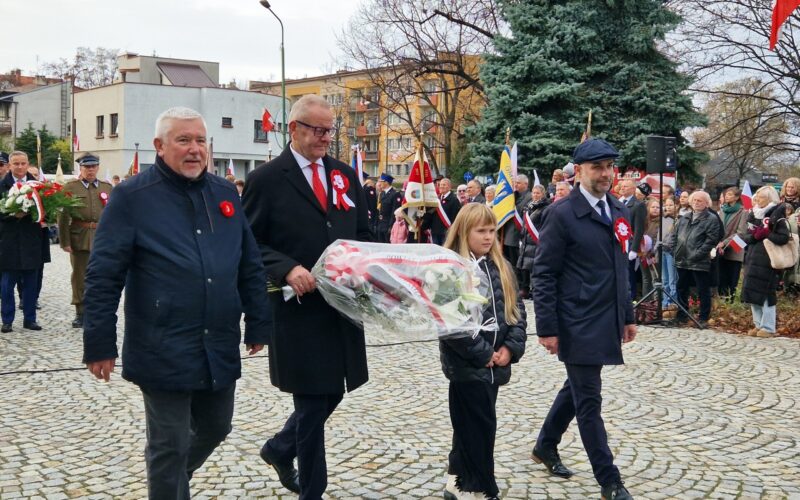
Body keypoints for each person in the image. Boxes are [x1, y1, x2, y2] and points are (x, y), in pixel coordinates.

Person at [81, 107, 270, 499]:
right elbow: (103, 274)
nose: (195, 149)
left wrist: (258, 321)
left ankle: (168, 481)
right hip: (161, 343)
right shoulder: (132, 197)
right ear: (159, 146)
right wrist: (99, 343)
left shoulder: (224, 194)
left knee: (217, 427)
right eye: (183, 140)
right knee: (169, 445)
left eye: (200, 141)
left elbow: (249, 262)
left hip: (216, 341)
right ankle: (168, 483)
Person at [242, 94, 372, 499]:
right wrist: (287, 267)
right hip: (297, 310)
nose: (325, 138)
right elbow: (248, 242)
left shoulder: (344, 175)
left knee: (332, 391)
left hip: (340, 305)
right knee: (313, 402)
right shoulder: (267, 178)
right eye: (317, 130)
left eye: (330, 130)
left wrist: (369, 270)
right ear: (294, 129)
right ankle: (312, 491)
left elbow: (363, 233)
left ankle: (280, 448)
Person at [532, 138, 636, 500]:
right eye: (597, 167)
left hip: (605, 318)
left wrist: (628, 314)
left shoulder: (619, 210)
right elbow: (543, 273)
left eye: (609, 166)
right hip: (575, 320)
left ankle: (545, 444)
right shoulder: (561, 214)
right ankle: (609, 480)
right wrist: (547, 327)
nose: (606, 173)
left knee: (576, 389)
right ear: (579, 171)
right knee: (589, 399)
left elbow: (622, 267)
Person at [440, 203, 526, 500]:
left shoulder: (501, 267)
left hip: (496, 362)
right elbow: (449, 322)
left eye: (492, 231)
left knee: (470, 423)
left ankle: (457, 477)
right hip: (467, 364)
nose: (489, 237)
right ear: (465, 232)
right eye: (481, 231)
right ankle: (481, 487)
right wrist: (481, 353)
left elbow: (516, 313)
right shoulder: (450, 270)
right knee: (480, 425)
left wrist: (509, 348)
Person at [58, 153, 113, 328]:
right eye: (87, 167)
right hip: (79, 236)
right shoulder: (71, 187)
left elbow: (115, 215)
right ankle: (80, 312)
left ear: (97, 167)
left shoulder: (107, 187)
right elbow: (62, 215)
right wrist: (64, 241)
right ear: (80, 168)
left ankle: (97, 311)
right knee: (80, 276)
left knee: (102, 276)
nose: (90, 170)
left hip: (102, 237)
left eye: (93, 166)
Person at [0, 151, 45, 332]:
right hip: (7, 241)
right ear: (10, 165)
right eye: (16, 163)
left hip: (31, 241)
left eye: (23, 163)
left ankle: (30, 318)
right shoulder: (2, 185)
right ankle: (7, 320)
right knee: (6, 284)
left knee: (31, 284)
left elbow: (46, 210)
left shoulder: (38, 185)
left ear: (28, 164)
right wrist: (12, 214)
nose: (19, 167)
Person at [741, 187, 791, 337]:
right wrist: (755, 236)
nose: (757, 200)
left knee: (766, 294)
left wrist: (768, 234)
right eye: (756, 197)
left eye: (761, 197)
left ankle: (768, 327)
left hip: (768, 260)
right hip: (752, 258)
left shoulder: (778, 216)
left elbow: (783, 238)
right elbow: (746, 237)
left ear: (770, 199)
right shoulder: (754, 213)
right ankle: (758, 324)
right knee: (752, 292)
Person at [667, 190, 721, 329]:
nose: (696, 203)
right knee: (681, 288)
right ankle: (682, 315)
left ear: (706, 203)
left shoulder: (711, 219)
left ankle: (703, 317)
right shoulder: (684, 217)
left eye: (700, 201)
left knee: (702, 289)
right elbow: (674, 234)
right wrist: (674, 250)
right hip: (682, 258)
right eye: (695, 200)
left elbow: (711, 240)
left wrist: (697, 254)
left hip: (699, 260)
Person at [716, 187, 749, 302]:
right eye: (726, 194)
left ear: (737, 197)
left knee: (732, 276)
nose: (726, 196)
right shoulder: (722, 210)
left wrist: (724, 243)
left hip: (735, 247)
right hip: (720, 248)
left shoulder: (743, 212)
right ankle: (721, 299)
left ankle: (730, 301)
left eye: (730, 194)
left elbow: (741, 233)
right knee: (721, 276)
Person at [517, 184, 550, 296]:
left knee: (534, 267)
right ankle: (525, 288)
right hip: (526, 240)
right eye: (534, 192)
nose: (535, 195)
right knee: (524, 266)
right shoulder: (529, 206)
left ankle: (535, 290)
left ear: (543, 194)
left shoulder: (545, 208)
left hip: (536, 240)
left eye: (538, 193)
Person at [618, 178, 647, 300]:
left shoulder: (638, 205)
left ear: (633, 189)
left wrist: (634, 249)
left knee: (629, 273)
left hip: (629, 243)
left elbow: (639, 229)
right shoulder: (618, 202)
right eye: (622, 186)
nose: (622, 188)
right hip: (616, 242)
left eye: (626, 186)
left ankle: (631, 297)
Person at [503, 175, 532, 291]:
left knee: (519, 263)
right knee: (511, 262)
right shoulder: (513, 196)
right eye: (516, 183)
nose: (516, 185)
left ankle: (522, 285)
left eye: (519, 183)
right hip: (509, 234)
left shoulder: (529, 197)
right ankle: (513, 283)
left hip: (518, 235)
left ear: (526, 184)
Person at [430, 177, 461, 245]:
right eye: (440, 185)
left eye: (444, 185)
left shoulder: (454, 200)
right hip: (435, 231)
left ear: (449, 187)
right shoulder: (436, 199)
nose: (441, 186)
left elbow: (455, 217)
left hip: (446, 232)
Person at [660, 196, 678, 310]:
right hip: (663, 251)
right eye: (666, 205)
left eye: (671, 205)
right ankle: (664, 303)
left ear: (676, 206)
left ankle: (672, 303)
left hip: (672, 252)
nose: (668, 207)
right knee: (664, 280)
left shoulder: (679, 219)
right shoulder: (663, 219)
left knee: (672, 280)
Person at [641, 198, 661, 298]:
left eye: (658, 207)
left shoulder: (660, 222)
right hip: (642, 254)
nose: (655, 209)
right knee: (645, 278)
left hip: (653, 255)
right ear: (648, 208)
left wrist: (652, 252)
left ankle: (655, 302)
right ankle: (645, 301)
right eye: (653, 207)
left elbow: (657, 239)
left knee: (655, 278)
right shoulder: (644, 221)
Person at [375, 173, 402, 242]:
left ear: (386, 182)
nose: (379, 183)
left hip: (388, 225)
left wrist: (391, 226)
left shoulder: (395, 194)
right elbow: (379, 209)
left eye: (381, 181)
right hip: (380, 225)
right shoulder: (382, 193)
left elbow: (394, 211)